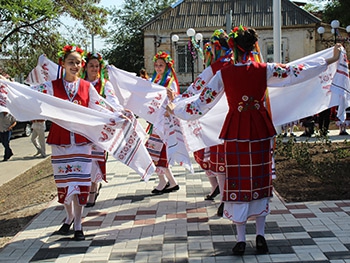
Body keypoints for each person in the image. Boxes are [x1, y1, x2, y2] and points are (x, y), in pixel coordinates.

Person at [168, 26, 342, 255]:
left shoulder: (224, 74)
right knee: (260, 183)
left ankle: (240, 239)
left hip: (236, 131)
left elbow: (202, 104)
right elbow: (295, 71)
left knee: (237, 184)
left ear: (233, 47)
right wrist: (329, 59)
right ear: (252, 48)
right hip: (261, 131)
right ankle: (260, 237)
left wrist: (176, 109)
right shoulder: (264, 69)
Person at [30, 44, 119, 241]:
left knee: (80, 183)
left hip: (82, 143)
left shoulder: (87, 87)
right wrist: (7, 86)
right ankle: (68, 216)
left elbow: (102, 106)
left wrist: (119, 115)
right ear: (63, 63)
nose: (75, 65)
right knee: (63, 184)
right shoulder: (53, 86)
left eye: (78, 62)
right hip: (60, 143)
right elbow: (31, 93)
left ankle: (78, 223)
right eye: (71, 62)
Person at [81, 52, 122, 207]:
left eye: (96, 66)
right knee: (85, 158)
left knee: (95, 158)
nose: (94, 68)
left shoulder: (105, 84)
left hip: (99, 128)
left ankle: (93, 188)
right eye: (91, 65)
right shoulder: (80, 83)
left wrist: (118, 113)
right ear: (86, 67)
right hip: (84, 127)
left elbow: (113, 102)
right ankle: (89, 186)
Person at [146, 51, 180, 194]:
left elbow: (174, 101)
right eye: (156, 65)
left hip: (165, 123)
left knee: (157, 152)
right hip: (156, 122)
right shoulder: (154, 81)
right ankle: (169, 181)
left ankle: (166, 181)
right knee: (153, 152)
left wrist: (171, 99)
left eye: (161, 65)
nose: (158, 68)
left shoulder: (170, 82)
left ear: (167, 66)